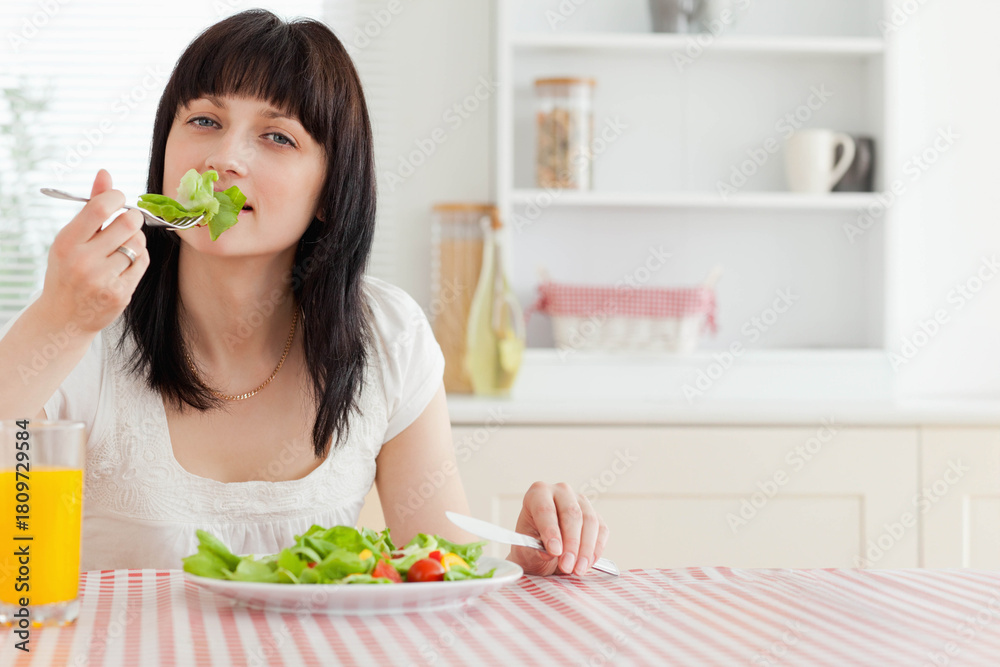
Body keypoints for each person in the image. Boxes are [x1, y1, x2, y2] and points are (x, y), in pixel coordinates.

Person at [0, 9, 608, 577]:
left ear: (328, 192)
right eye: (205, 121)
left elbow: (441, 571)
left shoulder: (388, 337)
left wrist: (523, 562)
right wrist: (59, 320)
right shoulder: (84, 325)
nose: (224, 159)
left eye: (277, 137)